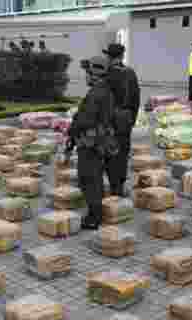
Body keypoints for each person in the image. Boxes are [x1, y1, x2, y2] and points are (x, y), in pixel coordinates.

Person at [65, 57, 116, 231]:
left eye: (87, 73)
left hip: (91, 143)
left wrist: (72, 130)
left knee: (88, 178)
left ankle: (94, 217)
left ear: (94, 74)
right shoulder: (105, 90)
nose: (85, 76)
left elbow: (85, 120)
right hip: (99, 141)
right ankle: (96, 210)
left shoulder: (96, 93)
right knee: (95, 177)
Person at [103, 43, 141, 199]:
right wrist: (132, 119)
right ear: (122, 56)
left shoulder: (106, 73)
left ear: (109, 57)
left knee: (110, 151)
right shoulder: (130, 72)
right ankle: (120, 184)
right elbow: (136, 99)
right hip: (125, 118)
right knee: (123, 152)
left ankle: (114, 186)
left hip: (110, 117)